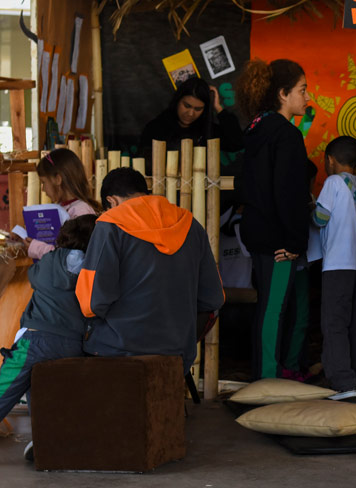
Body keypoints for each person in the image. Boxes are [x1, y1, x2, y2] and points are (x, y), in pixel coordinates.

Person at [75, 168, 225, 375]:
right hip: (177, 351)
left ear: (112, 201)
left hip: (118, 349)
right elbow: (214, 298)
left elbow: (92, 302)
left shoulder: (110, 225)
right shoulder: (190, 224)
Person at [235, 59, 315, 380]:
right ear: (283, 94)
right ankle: (267, 378)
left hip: (257, 232)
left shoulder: (256, 129)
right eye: (302, 90)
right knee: (273, 308)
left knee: (268, 303)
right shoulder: (286, 135)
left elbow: (251, 188)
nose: (307, 98)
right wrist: (293, 240)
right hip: (277, 240)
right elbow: (287, 193)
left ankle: (269, 371)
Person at [0, 215, 97, 430]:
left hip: (36, 339)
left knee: (7, 385)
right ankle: (46, 441)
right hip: (73, 344)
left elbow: (34, 276)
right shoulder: (93, 268)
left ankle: (42, 439)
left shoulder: (50, 261)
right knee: (50, 391)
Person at [312, 136, 356, 399]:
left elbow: (321, 218)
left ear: (330, 160)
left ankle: (342, 383)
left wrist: (309, 209)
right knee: (353, 324)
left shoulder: (333, 182)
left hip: (338, 262)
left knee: (333, 323)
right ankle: (354, 376)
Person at [15, 149, 99, 260]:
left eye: (44, 182)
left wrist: (37, 248)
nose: (43, 189)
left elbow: (71, 259)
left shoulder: (81, 211)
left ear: (58, 179)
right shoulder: (64, 208)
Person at [139, 76, 243, 159]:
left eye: (198, 109)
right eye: (187, 106)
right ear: (178, 101)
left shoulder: (206, 130)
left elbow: (237, 143)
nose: (190, 113)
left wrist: (218, 108)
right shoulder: (156, 128)